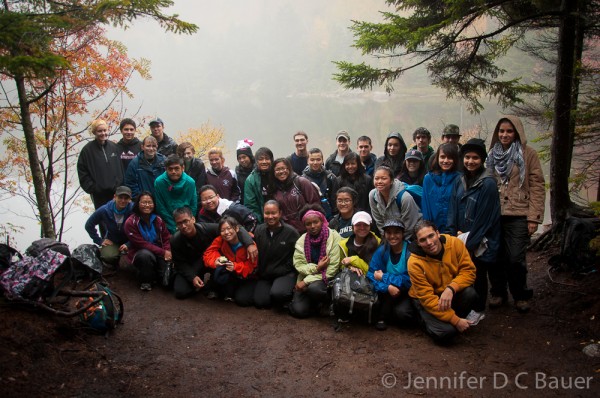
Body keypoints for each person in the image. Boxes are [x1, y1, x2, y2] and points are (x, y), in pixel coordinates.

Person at [486, 115, 545, 313]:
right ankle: (498, 292)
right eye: (501, 131)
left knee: (515, 258)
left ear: (517, 132)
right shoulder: (491, 154)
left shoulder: (528, 154)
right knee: (494, 256)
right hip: (495, 214)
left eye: (509, 131)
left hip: (519, 213)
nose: (505, 135)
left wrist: (534, 217)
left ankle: (520, 294)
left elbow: (537, 185)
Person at [447, 138, 501, 323]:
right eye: (467, 157)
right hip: (460, 236)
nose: (470, 161)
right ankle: (465, 305)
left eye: (475, 158)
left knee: (477, 273)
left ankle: (478, 309)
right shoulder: (460, 180)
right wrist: (452, 233)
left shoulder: (488, 184)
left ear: (482, 159)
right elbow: (453, 207)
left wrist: (469, 243)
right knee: (461, 271)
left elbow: (484, 219)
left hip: (480, 239)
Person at [408, 220, 477, 344]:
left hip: (447, 292)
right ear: (418, 243)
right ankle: (424, 319)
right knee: (446, 333)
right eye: (423, 240)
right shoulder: (414, 262)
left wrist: (451, 288)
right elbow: (428, 299)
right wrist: (456, 321)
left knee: (470, 293)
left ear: (438, 233)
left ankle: (445, 319)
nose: (429, 242)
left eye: (431, 236)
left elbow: (469, 271)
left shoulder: (455, 244)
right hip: (427, 300)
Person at [170, 206, 257, 300]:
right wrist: (192, 277)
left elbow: (236, 227)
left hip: (211, 262)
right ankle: (200, 283)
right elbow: (180, 263)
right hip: (192, 265)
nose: (183, 226)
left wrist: (249, 243)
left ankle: (212, 285)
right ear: (176, 225)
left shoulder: (207, 228)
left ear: (193, 219)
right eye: (179, 223)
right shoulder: (175, 240)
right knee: (181, 292)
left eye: (185, 221)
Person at [289, 207, 342, 318]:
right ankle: (313, 304)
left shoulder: (333, 237)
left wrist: (306, 282)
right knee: (299, 311)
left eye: (315, 222)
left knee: (314, 289)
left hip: (327, 279)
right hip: (308, 276)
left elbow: (333, 269)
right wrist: (316, 268)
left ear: (322, 221)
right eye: (308, 224)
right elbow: (298, 265)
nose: (312, 226)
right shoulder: (302, 240)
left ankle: (327, 302)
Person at [253, 200, 300, 309]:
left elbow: (297, 256)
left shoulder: (291, 232)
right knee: (260, 302)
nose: (270, 216)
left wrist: (286, 269)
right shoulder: (259, 230)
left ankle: (288, 293)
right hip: (266, 275)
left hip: (285, 273)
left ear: (280, 213)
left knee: (279, 294)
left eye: (273, 213)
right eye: (267, 213)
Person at [367, 219, 413, 331]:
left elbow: (409, 280)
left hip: (408, 292)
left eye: (396, 232)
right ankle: (383, 316)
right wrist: (387, 287)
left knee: (402, 314)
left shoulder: (410, 252)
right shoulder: (382, 251)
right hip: (386, 292)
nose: (392, 236)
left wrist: (384, 277)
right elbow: (371, 274)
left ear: (403, 233)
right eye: (389, 233)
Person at [203, 217, 257, 305]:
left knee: (242, 300)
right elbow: (208, 253)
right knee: (217, 273)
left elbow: (252, 266)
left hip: (247, 277)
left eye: (229, 228)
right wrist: (216, 261)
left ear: (236, 228)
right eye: (223, 230)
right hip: (231, 273)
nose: (226, 232)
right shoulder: (220, 240)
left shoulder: (249, 244)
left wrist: (235, 266)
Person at [124, 191, 172, 291]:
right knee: (145, 256)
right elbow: (140, 244)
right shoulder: (131, 222)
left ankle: (156, 274)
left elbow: (166, 237)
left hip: (158, 251)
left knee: (167, 281)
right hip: (140, 252)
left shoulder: (158, 219)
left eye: (150, 202)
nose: (147, 205)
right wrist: (163, 252)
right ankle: (145, 280)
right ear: (138, 204)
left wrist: (168, 251)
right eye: (143, 202)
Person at [77, 119, 124, 209]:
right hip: (99, 194)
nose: (103, 133)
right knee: (103, 220)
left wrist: (119, 187)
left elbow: (120, 169)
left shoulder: (114, 147)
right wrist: (93, 188)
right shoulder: (87, 150)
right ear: (94, 132)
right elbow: (82, 171)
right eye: (100, 131)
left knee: (118, 218)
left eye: (105, 130)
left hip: (115, 193)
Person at [369, 166, 422, 241]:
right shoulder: (372, 195)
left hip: (411, 235)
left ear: (391, 181)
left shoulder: (404, 198)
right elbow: (379, 221)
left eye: (384, 178)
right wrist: (387, 239)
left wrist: (398, 242)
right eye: (376, 178)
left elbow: (410, 226)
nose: (379, 181)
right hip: (390, 237)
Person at [84, 186, 133, 266]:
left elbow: (141, 229)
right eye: (120, 197)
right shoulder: (105, 210)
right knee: (108, 256)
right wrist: (99, 240)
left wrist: (129, 244)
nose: (123, 200)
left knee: (135, 258)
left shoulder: (133, 210)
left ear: (130, 199)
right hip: (112, 240)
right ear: (115, 197)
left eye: (126, 198)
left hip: (130, 239)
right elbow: (89, 225)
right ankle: (115, 263)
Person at [268, 157, 320, 233]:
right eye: (277, 169)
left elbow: (315, 204)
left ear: (289, 169)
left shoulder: (301, 182)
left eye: (283, 168)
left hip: (306, 229)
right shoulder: (273, 188)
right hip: (286, 231)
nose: (281, 171)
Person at [421, 143, 461, 233]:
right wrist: (429, 228)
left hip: (454, 229)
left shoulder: (459, 179)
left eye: (449, 157)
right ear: (437, 158)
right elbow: (426, 206)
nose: (445, 161)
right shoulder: (428, 178)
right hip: (434, 229)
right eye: (442, 157)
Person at [154, 155, 198, 234]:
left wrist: (188, 222)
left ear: (182, 168)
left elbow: (193, 205)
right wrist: (173, 226)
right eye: (170, 169)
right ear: (166, 169)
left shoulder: (190, 182)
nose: (173, 172)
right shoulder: (159, 182)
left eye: (177, 168)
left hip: (187, 221)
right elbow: (161, 207)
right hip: (167, 221)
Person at [339, 211, 381, 276]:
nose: (362, 228)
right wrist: (350, 267)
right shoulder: (344, 245)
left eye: (365, 225)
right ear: (352, 227)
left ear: (370, 226)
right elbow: (341, 266)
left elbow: (375, 272)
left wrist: (354, 260)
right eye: (358, 225)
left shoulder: (378, 243)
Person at [302, 148, 339, 220]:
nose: (315, 162)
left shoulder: (331, 178)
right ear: (307, 161)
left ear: (322, 161)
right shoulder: (302, 180)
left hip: (329, 217)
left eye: (318, 159)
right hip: (310, 217)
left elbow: (335, 201)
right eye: (312, 160)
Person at [244, 147, 273, 222]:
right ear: (256, 162)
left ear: (271, 160)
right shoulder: (250, 180)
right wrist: (260, 223)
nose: (264, 162)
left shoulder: (277, 174)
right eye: (260, 159)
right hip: (262, 219)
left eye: (267, 158)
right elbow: (251, 206)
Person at [176, 142, 207, 210]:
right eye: (183, 154)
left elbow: (200, 185)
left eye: (188, 153)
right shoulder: (177, 164)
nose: (186, 156)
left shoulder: (199, 164)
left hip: (195, 197)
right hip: (180, 197)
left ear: (193, 152)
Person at [235, 139, 255, 205]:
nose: (242, 160)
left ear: (250, 156)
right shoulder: (237, 172)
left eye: (244, 157)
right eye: (239, 158)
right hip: (244, 205)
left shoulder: (257, 170)